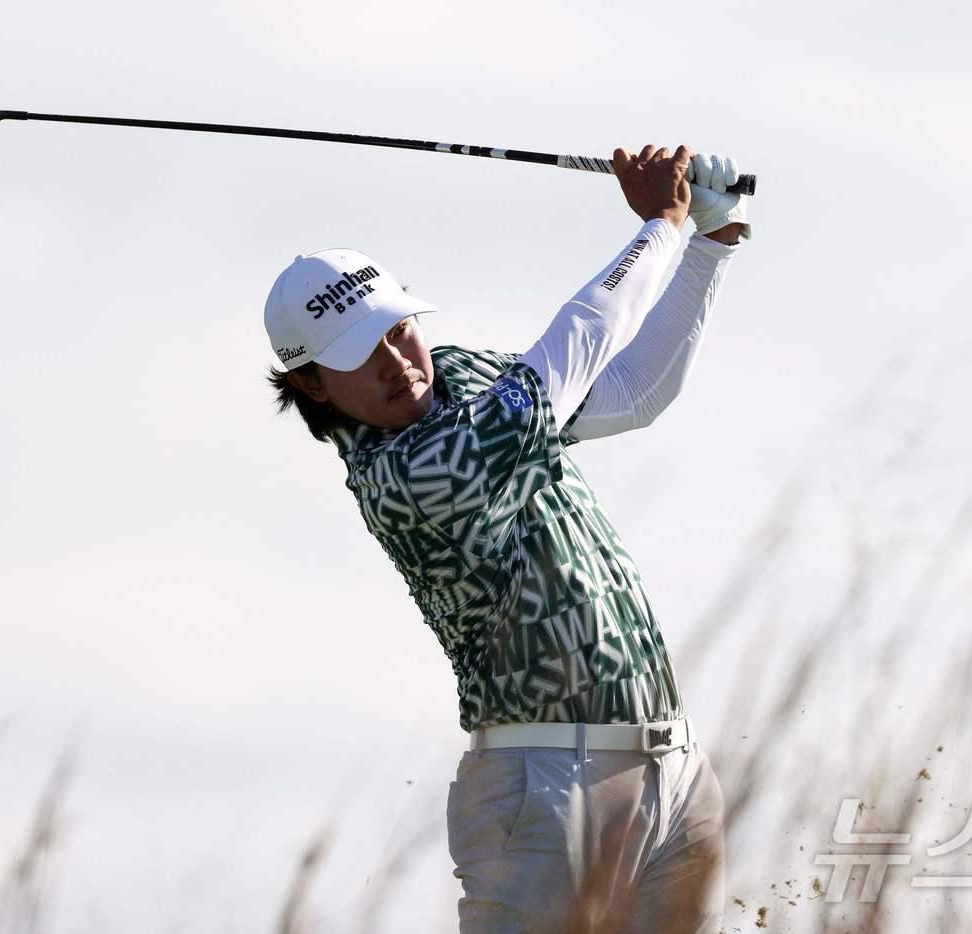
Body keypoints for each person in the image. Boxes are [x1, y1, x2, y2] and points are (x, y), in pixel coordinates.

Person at [263, 144, 749, 933]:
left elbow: (630, 393)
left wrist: (707, 243)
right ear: (313, 386)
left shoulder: (462, 377)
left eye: (396, 330)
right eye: (361, 355)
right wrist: (663, 222)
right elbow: (577, 345)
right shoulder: (414, 473)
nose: (397, 362)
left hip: (673, 769)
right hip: (547, 785)